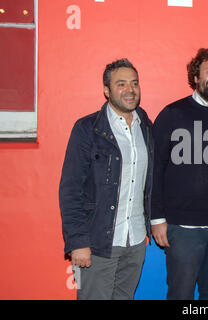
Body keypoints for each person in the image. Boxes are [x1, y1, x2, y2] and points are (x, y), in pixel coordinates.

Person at [151, 48, 208, 300]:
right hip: (182, 228)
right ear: (195, 76)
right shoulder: (172, 114)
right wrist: (156, 218)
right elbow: (154, 169)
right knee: (180, 295)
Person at [59, 58, 154, 300]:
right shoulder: (87, 129)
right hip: (98, 242)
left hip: (134, 241)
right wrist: (78, 241)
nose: (130, 90)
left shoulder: (147, 127)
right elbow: (70, 190)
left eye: (134, 83)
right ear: (106, 90)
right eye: (121, 84)